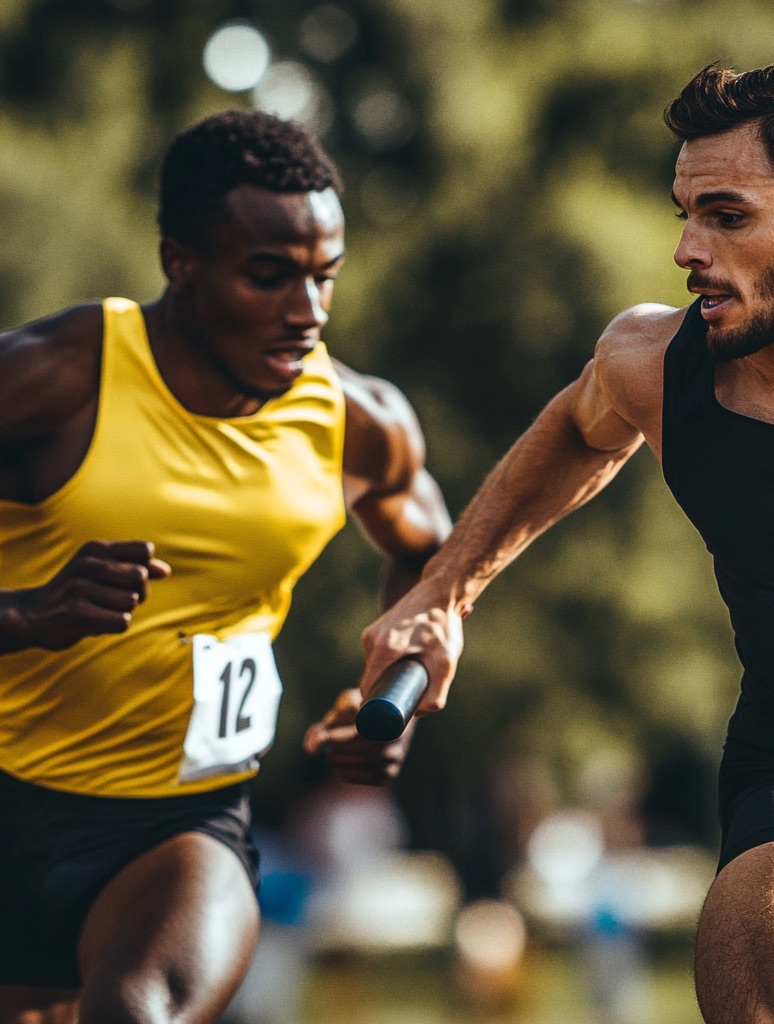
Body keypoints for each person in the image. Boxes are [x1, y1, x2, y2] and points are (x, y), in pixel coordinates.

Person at [356, 46, 774, 1024]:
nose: (685, 249)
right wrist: (442, 594)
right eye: (684, 212)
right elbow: (577, 432)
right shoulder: (654, 364)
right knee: (759, 946)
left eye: (726, 215)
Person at [0, 109, 451, 1024]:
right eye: (269, 276)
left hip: (178, 824)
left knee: (139, 1011)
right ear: (181, 263)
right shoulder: (54, 378)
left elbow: (432, 556)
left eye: (326, 277)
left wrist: (394, 687)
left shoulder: (359, 419)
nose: (308, 311)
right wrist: (25, 615)